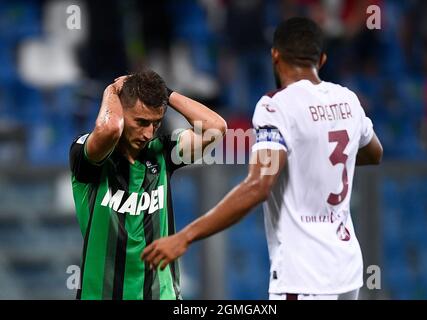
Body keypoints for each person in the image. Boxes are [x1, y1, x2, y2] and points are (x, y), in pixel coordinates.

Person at [141, 17, 383, 300]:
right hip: (347, 270)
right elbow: (374, 152)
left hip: (305, 276)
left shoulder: (276, 106)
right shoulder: (348, 100)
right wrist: (315, 158)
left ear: (275, 55)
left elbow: (258, 186)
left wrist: (184, 237)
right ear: (323, 59)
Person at [69, 70, 227, 300]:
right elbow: (109, 128)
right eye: (141, 122)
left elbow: (216, 127)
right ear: (121, 111)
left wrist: (166, 93)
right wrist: (112, 90)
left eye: (155, 123)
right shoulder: (88, 155)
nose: (148, 133)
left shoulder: (162, 152)